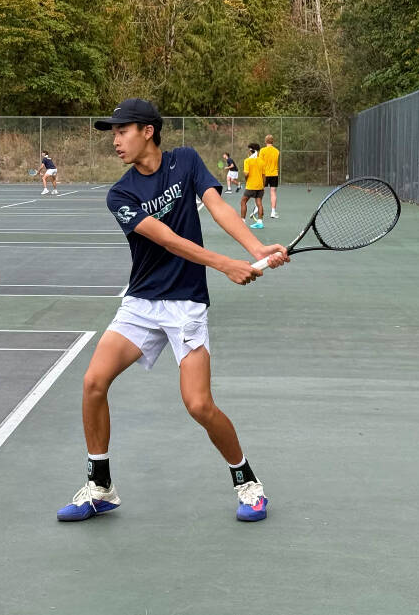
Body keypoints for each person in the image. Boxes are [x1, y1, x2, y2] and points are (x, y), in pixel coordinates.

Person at [56, 98, 288, 523]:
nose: (116, 141)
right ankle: (101, 488)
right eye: (113, 133)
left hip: (185, 305)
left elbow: (217, 206)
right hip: (141, 304)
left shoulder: (186, 161)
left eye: (122, 131)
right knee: (93, 382)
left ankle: (248, 484)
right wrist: (225, 265)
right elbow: (163, 237)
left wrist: (255, 249)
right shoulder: (121, 193)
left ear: (148, 131)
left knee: (198, 405)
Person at [242, 143, 266, 229]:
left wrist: (245, 177)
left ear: (251, 150)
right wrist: (263, 186)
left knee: (243, 202)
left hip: (251, 186)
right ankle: (260, 222)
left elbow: (246, 173)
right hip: (260, 186)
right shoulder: (262, 161)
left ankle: (242, 221)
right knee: (259, 203)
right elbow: (264, 176)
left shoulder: (247, 161)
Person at [259, 135, 280, 219]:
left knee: (260, 192)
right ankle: (273, 212)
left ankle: (257, 208)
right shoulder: (277, 151)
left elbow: (260, 163)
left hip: (264, 174)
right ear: (273, 141)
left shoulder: (262, 150)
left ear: (265, 141)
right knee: (273, 193)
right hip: (274, 174)